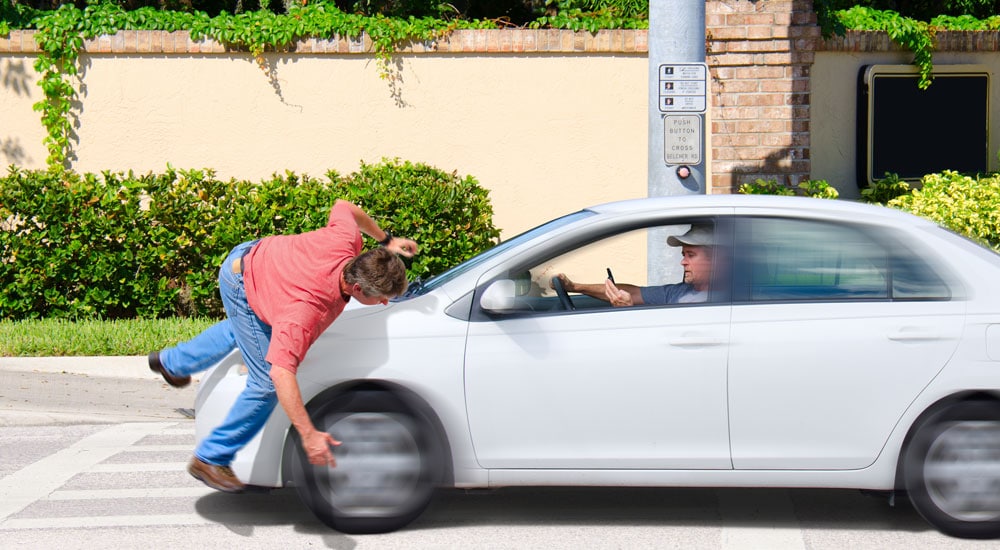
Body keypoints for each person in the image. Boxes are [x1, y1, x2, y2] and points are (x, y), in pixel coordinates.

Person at [147, 199, 418, 494]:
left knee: (245, 330)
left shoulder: (346, 241)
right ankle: (211, 458)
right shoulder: (305, 311)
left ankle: (171, 362)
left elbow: (344, 207)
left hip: (259, 258)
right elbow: (280, 373)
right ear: (356, 288)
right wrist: (309, 434)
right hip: (242, 280)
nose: (384, 303)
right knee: (263, 382)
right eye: (379, 297)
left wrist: (387, 240)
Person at [557, 224, 712, 307]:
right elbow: (634, 293)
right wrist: (575, 287)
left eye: (691, 255)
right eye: (683, 255)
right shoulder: (679, 292)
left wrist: (630, 311)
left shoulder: (724, 300)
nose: (683, 262)